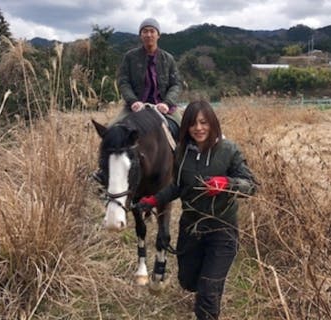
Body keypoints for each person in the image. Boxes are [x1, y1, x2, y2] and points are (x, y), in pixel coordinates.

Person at [135, 100, 257, 320]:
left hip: (222, 231)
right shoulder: (181, 152)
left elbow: (251, 186)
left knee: (208, 291)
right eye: (193, 123)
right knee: (188, 281)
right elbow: (178, 186)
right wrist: (153, 200)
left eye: (204, 122)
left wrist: (226, 184)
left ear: (212, 123)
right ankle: (208, 287)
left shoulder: (229, 151)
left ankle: (210, 300)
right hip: (191, 229)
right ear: (186, 127)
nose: (199, 128)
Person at [92, 17, 183, 186]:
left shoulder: (168, 58)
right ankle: (103, 171)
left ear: (158, 35)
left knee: (185, 127)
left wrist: (168, 102)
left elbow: (176, 84)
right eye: (145, 31)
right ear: (140, 35)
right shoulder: (130, 57)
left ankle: (183, 167)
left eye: (152, 31)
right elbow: (123, 81)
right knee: (112, 129)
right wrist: (133, 101)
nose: (149, 34)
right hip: (135, 106)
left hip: (163, 106)